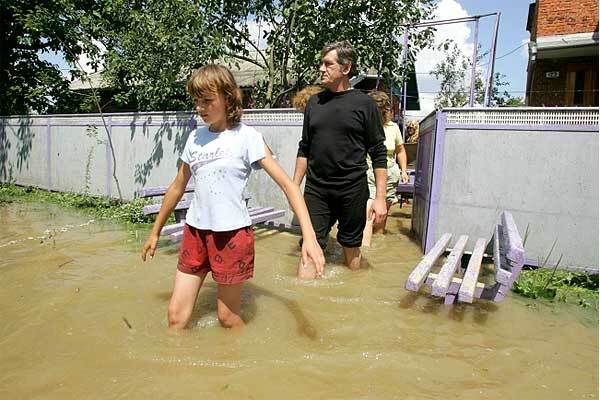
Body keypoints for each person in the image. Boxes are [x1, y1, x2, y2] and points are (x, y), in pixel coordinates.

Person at [141, 64, 324, 331]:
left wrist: (310, 237)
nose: (200, 108)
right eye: (196, 101)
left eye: (207, 100)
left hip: (231, 236)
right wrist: (155, 232)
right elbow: (177, 186)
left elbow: (288, 185)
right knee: (176, 316)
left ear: (227, 97)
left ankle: (244, 365)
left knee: (227, 318)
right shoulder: (195, 138)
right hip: (195, 232)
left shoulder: (247, 137)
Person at [293, 41, 388, 279]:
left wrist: (380, 198)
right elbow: (304, 148)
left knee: (351, 249)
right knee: (309, 246)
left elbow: (378, 152)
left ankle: (355, 301)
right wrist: (294, 187)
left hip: (352, 190)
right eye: (321, 64)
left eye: (328, 64)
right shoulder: (314, 103)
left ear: (346, 69)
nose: (321, 69)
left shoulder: (365, 104)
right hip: (317, 190)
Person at [362, 91, 410, 247]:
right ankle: (364, 249)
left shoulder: (393, 127)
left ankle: (378, 245)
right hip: (369, 170)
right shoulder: (363, 125)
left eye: (381, 110)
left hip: (390, 173)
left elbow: (400, 150)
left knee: (382, 214)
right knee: (369, 211)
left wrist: (403, 171)